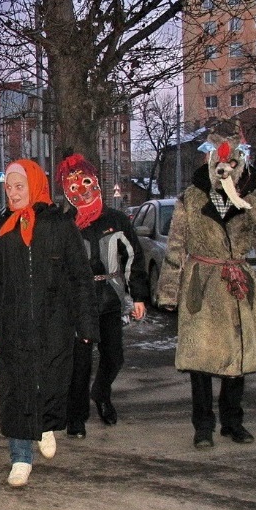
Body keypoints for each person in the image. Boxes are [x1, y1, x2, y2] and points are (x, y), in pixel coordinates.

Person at [156, 127, 256, 449]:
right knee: (200, 359)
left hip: (237, 287)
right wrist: (169, 292)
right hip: (201, 285)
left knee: (237, 358)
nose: (224, 167)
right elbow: (175, 246)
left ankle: (233, 422)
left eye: (232, 160)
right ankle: (203, 426)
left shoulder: (251, 201)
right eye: (217, 159)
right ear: (209, 159)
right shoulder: (191, 198)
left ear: (240, 162)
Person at [0, 159, 97, 487]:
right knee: (15, 389)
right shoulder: (0, 229)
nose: (13, 194)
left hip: (54, 323)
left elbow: (80, 277)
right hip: (12, 325)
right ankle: (20, 457)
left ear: (34, 185)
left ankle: (45, 424)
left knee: (51, 380)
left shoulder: (59, 225)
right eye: (9, 188)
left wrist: (86, 324)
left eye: (19, 187)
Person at [57, 154, 148, 439]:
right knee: (79, 362)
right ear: (65, 191)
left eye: (85, 182)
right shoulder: (64, 224)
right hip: (78, 302)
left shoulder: (116, 220)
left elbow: (133, 257)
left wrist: (139, 296)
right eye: (73, 186)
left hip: (110, 299)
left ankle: (102, 394)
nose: (81, 190)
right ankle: (76, 416)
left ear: (95, 182)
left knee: (114, 356)